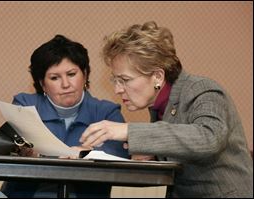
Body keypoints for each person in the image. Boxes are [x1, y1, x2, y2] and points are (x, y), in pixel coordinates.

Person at [79, 21, 253, 198]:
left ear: (157, 76)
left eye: (125, 79)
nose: (117, 89)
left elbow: (209, 138)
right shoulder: (160, 107)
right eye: (115, 80)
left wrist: (129, 131)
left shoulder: (202, 90)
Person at [1, 34, 129, 198]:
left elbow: (118, 158)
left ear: (84, 74)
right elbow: (11, 149)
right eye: (54, 78)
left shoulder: (106, 111)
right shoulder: (25, 104)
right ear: (42, 84)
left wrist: (84, 154)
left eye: (71, 74)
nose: (66, 84)